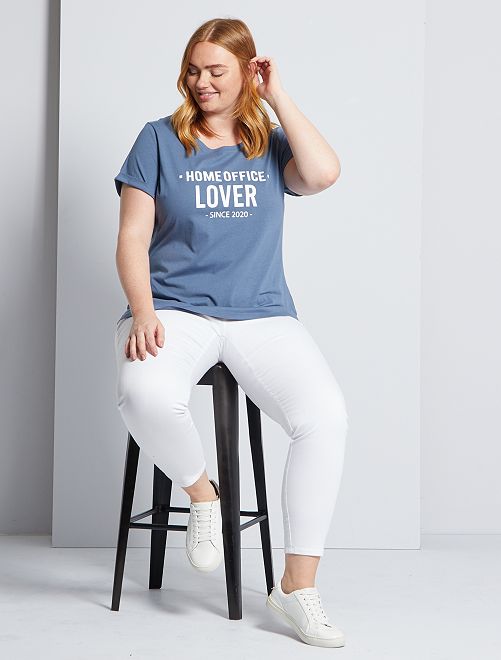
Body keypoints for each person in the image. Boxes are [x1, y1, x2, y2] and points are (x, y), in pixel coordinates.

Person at [113, 17, 348, 648]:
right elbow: (132, 236)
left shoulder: (269, 142)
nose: (202, 82)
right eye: (193, 70)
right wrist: (142, 311)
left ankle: (297, 587)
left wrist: (278, 97)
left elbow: (323, 174)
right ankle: (204, 495)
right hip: (175, 310)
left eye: (217, 71)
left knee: (325, 418)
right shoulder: (158, 139)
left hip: (262, 313)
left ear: (247, 72)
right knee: (141, 392)